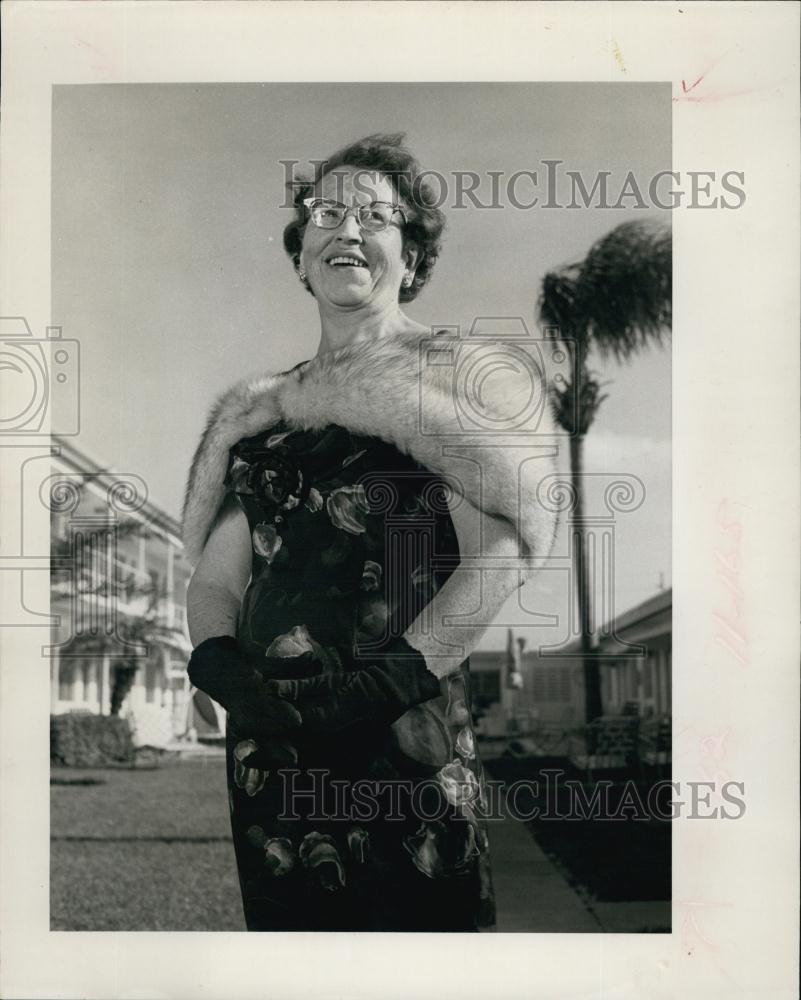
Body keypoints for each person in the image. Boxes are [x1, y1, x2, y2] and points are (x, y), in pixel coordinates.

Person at [181, 133, 557, 931]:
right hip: (271, 751)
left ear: (411, 257)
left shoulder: (461, 375)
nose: (346, 230)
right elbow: (217, 579)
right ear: (300, 255)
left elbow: (497, 555)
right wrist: (222, 666)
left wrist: (377, 686)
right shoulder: (259, 412)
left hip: (399, 741)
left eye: (374, 217)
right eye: (327, 214)